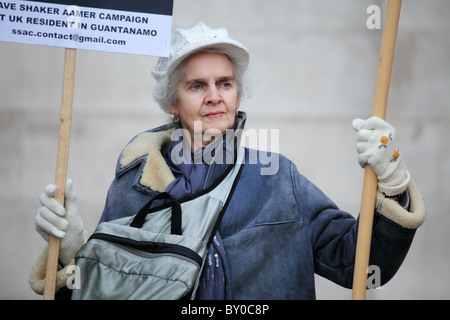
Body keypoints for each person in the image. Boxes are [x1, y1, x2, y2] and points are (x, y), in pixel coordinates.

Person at [29, 22, 426, 300]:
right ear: (173, 102)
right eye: (197, 85)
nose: (214, 96)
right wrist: (73, 250)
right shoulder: (134, 183)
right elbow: (104, 291)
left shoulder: (278, 176)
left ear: (238, 95)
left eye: (225, 83)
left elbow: (361, 265)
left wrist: (392, 184)